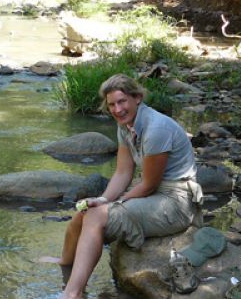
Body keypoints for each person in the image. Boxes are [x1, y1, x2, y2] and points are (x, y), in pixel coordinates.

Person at [56, 74, 202, 299]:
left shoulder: (156, 130)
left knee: (96, 218)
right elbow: (123, 172)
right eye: (112, 104)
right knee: (82, 215)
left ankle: (72, 293)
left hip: (176, 202)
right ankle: (65, 264)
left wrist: (115, 204)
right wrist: (103, 200)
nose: (117, 109)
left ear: (137, 98)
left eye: (122, 101)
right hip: (154, 194)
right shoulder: (125, 126)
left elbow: (148, 185)